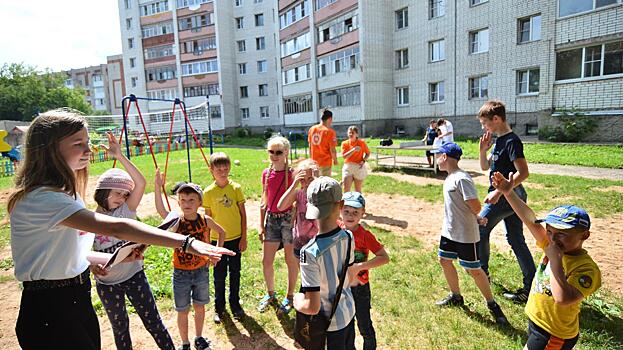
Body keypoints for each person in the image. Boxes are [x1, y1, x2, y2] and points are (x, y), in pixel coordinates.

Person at [9, 108, 233, 350]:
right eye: (78, 143)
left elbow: (67, 252)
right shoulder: (43, 199)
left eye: (88, 142)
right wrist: (187, 242)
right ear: (51, 149)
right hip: (51, 309)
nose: (89, 150)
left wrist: (112, 258)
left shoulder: (64, 195)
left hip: (74, 297)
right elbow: (117, 227)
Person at [491, 172, 601, 350]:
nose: (553, 238)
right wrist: (508, 193)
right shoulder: (552, 244)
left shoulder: (586, 269)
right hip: (538, 322)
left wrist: (556, 262)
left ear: (585, 235)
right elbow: (531, 222)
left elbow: (563, 299)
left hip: (553, 333)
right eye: (549, 231)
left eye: (561, 234)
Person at [91, 135, 175, 350]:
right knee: (120, 330)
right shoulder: (89, 220)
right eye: (117, 193)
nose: (122, 198)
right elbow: (82, 253)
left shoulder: (125, 211)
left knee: (154, 323)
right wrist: (92, 266)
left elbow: (141, 182)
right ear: (103, 192)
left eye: (125, 194)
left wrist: (119, 156)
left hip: (134, 277)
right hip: (108, 285)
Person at [432, 142, 509, 326]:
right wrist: (476, 218)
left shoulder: (461, 178)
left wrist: (476, 217)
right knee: (444, 260)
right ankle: (456, 296)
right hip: (449, 232)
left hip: (465, 235)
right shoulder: (449, 178)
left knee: (474, 270)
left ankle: (492, 305)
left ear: (444, 157)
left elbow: (475, 205)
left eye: (438, 156)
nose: (436, 159)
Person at [154, 171, 227, 350]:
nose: (187, 204)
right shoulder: (176, 221)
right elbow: (161, 210)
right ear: (178, 202)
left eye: (191, 200)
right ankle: (185, 343)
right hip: (181, 274)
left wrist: (215, 253)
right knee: (183, 310)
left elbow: (222, 232)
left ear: (199, 202)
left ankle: (199, 338)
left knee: (200, 307)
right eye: (183, 200)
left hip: (201, 271)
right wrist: (157, 187)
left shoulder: (205, 220)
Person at [477, 100, 536, 303]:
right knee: (516, 239)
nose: (484, 128)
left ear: (497, 119)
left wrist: (499, 193)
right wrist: (483, 150)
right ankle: (531, 288)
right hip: (508, 195)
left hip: (509, 195)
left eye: (485, 123)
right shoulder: (498, 140)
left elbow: (523, 172)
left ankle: (481, 273)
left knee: (480, 227)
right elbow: (486, 168)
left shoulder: (512, 141)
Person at [294, 177, 356, 349]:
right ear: (341, 204)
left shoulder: (309, 253)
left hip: (328, 326)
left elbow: (312, 307)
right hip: (348, 313)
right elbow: (349, 276)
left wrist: (297, 300)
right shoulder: (348, 236)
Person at [340, 191, 390, 350]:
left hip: (360, 288)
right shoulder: (336, 229)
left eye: (355, 212)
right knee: (346, 327)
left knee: (364, 325)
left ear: (363, 213)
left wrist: (359, 267)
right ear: (340, 211)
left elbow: (384, 257)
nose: (350, 215)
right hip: (342, 287)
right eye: (346, 211)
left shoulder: (364, 235)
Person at [202, 152, 248, 324]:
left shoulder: (235, 188)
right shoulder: (208, 192)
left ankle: (235, 305)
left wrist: (244, 237)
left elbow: (243, 215)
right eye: (218, 169)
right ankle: (219, 308)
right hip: (216, 241)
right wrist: (208, 245)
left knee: (235, 273)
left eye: (225, 168)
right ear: (211, 170)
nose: (222, 171)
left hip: (235, 239)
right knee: (219, 276)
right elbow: (207, 220)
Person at [258, 136, 299, 314]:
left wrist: (294, 221)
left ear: (286, 153)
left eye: (278, 152)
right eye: (271, 152)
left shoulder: (293, 174)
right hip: (271, 220)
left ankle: (289, 296)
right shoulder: (266, 174)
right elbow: (263, 200)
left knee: (291, 260)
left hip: (288, 219)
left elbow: (298, 200)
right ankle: (270, 293)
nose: (274, 155)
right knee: (267, 260)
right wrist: (261, 225)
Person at [277, 158, 320, 259]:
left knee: (320, 272)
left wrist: (318, 181)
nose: (307, 183)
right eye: (302, 180)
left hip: (319, 242)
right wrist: (294, 185)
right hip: (300, 242)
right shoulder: (298, 194)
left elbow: (325, 201)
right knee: (304, 273)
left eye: (310, 179)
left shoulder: (321, 193)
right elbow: (280, 206)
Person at [308, 108, 338, 176]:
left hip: (314, 162)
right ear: (330, 119)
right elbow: (332, 150)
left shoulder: (312, 129)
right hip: (325, 162)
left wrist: (311, 159)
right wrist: (335, 160)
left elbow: (310, 146)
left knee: (315, 183)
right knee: (325, 184)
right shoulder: (330, 132)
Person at [341, 126, 370, 193]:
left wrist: (363, 161)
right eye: (349, 132)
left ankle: (358, 203)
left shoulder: (361, 143)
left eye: (353, 133)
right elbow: (344, 156)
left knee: (358, 191)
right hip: (348, 167)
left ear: (357, 134)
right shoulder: (344, 143)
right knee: (346, 189)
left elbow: (368, 153)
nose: (351, 134)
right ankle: (346, 203)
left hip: (358, 167)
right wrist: (353, 150)